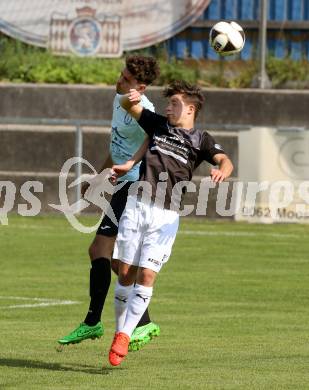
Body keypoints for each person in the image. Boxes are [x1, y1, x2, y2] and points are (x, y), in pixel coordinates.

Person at [107, 80, 234, 366]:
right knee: (125, 272)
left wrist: (222, 171)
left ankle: (125, 336)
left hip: (167, 215)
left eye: (174, 103)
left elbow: (225, 160)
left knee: (147, 275)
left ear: (190, 109)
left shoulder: (201, 139)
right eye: (168, 103)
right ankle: (120, 329)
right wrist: (132, 97)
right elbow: (130, 106)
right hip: (137, 205)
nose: (168, 107)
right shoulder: (158, 125)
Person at [58, 55, 161, 352]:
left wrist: (137, 174)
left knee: (98, 249)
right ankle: (143, 323)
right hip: (120, 183)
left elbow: (155, 143)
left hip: (134, 186)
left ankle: (93, 322)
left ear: (140, 87)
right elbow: (117, 145)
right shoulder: (119, 99)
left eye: (127, 79)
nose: (119, 80)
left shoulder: (147, 111)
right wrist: (99, 176)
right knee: (117, 263)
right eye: (121, 74)